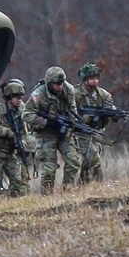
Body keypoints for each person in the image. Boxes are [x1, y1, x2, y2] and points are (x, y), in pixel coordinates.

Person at [23, 66, 81, 195]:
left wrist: (72, 122)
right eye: (56, 84)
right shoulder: (38, 94)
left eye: (61, 83)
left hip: (63, 130)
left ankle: (67, 192)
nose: (59, 86)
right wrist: (46, 122)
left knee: (73, 162)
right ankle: (47, 197)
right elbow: (26, 114)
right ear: (49, 82)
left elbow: (72, 109)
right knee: (49, 168)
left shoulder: (69, 89)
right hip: (45, 134)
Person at [0, 79, 32, 196]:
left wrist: (23, 143)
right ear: (9, 97)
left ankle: (13, 200)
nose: (20, 100)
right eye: (17, 97)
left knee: (19, 181)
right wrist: (7, 132)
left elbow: (25, 130)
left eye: (21, 97)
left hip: (10, 153)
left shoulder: (21, 111)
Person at [73, 62, 115, 184]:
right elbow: (68, 113)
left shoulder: (103, 94)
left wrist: (114, 113)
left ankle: (82, 186)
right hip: (80, 134)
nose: (95, 81)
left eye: (97, 78)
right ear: (84, 79)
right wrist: (82, 119)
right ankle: (99, 186)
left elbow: (110, 108)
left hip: (96, 133)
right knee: (94, 159)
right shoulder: (75, 94)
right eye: (92, 78)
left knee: (87, 163)